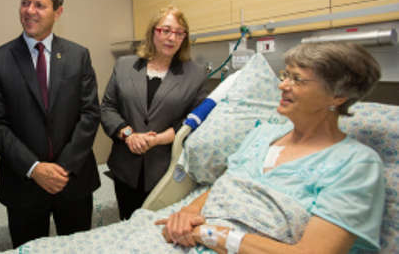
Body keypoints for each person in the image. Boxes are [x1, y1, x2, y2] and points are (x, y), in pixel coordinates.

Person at [157, 42, 384, 253]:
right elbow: (225, 184)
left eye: (297, 79)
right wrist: (189, 212)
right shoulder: (264, 134)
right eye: (285, 75)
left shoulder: (356, 165)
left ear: (337, 96)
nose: (282, 85)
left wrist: (212, 235)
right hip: (186, 236)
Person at [0, 0, 101, 248]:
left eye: (39, 5)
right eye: (25, 3)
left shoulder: (78, 55)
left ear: (58, 12)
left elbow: (90, 114)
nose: (29, 10)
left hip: (73, 182)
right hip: (23, 186)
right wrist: (34, 169)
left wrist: (62, 169)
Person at [101, 6, 207, 220]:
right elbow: (108, 107)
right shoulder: (124, 66)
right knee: (128, 224)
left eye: (179, 33)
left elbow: (196, 120)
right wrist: (128, 134)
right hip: (126, 169)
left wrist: (159, 138)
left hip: (166, 171)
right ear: (153, 32)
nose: (172, 38)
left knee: (159, 230)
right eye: (165, 30)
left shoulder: (195, 74)